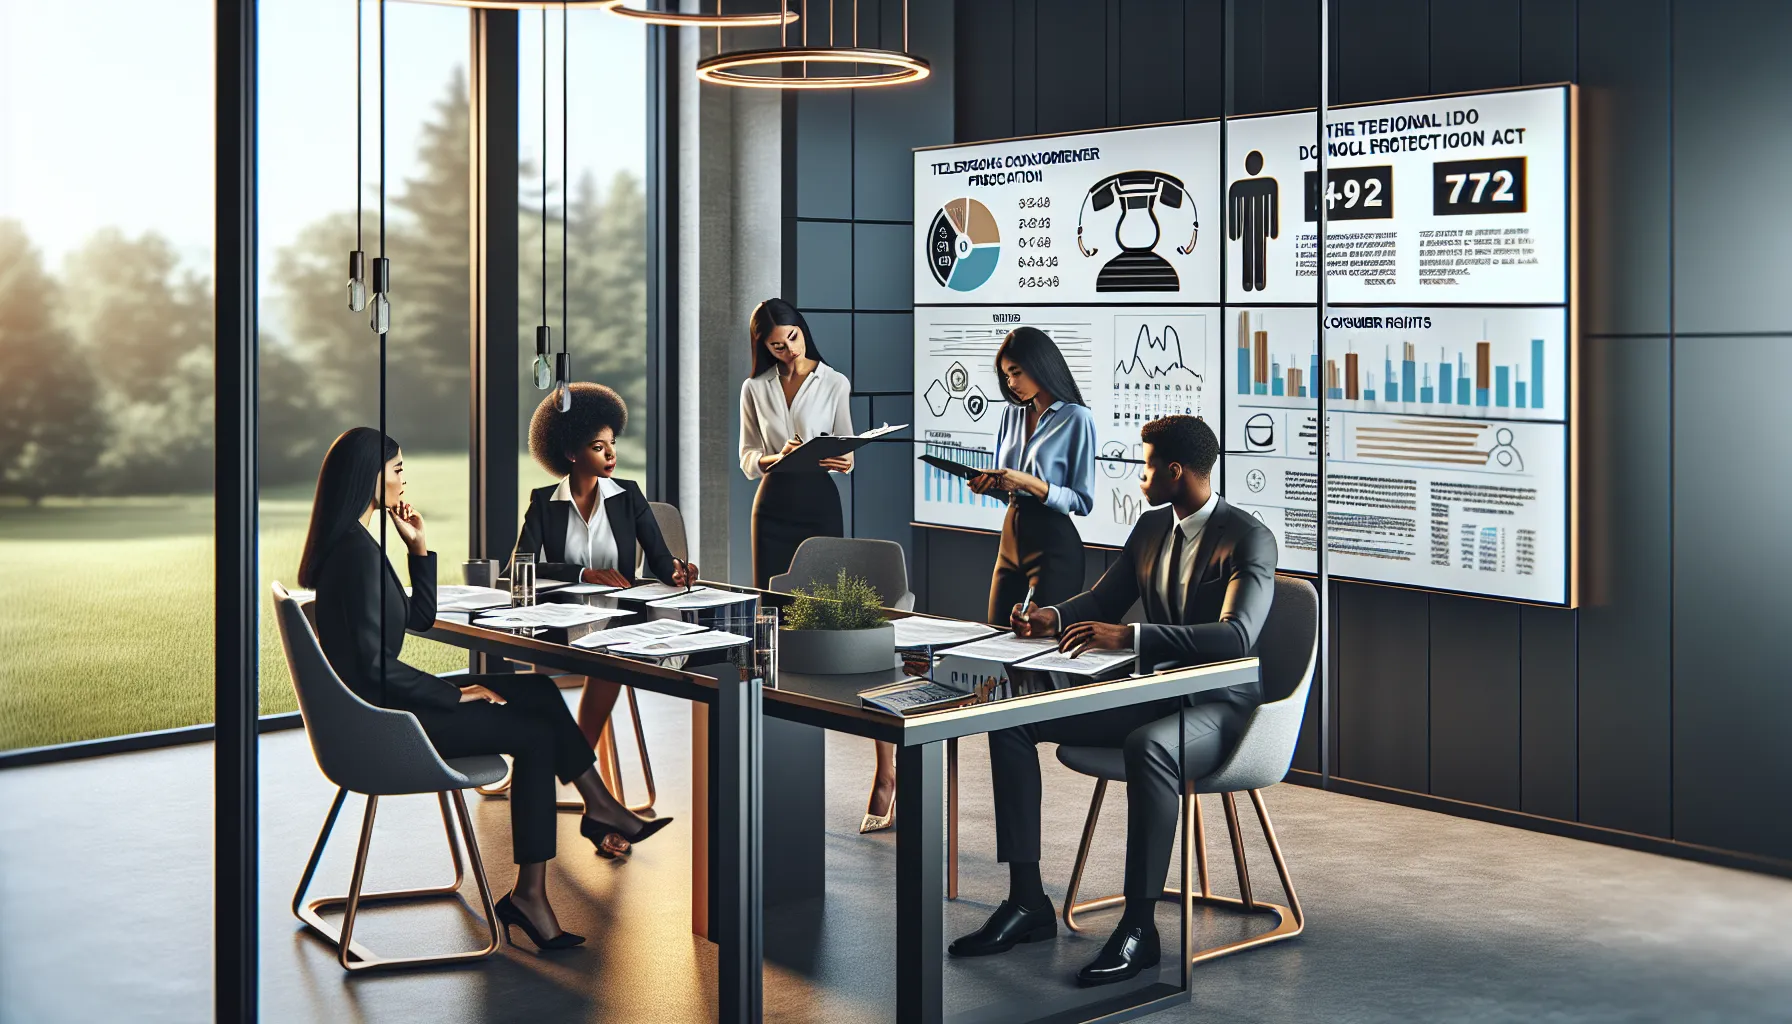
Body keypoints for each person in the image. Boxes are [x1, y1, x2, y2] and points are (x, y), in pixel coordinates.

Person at [299, 427, 672, 951]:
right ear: (369, 477)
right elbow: (373, 671)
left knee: (539, 696)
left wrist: (419, 549)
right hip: (390, 723)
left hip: (388, 705)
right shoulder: (354, 555)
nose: (406, 478)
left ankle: (599, 807)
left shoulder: (358, 544)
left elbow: (419, 620)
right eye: (399, 468)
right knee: (535, 736)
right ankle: (531, 897)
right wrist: (454, 695)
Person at [948, 415, 1277, 987]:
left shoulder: (1247, 537)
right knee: (1011, 721)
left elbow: (1236, 637)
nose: (1138, 476)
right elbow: (1105, 597)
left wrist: (1134, 637)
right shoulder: (1151, 529)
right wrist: (1050, 617)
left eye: (1146, 466)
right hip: (1150, 692)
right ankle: (1027, 903)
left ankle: (1139, 928)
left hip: (1221, 707)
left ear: (1175, 471)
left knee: (1149, 748)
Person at [739, 299, 898, 832]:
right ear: (763, 345)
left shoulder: (834, 381)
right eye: (777, 344)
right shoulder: (754, 388)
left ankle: (886, 772)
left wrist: (845, 458)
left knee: (839, 626)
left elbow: (846, 450)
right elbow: (745, 457)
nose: (788, 350)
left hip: (819, 505)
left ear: (804, 333)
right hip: (772, 506)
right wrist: (770, 457)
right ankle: (779, 765)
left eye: (794, 339)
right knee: (774, 631)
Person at [516, 383, 697, 758]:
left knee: (608, 660)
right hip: (559, 619)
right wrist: (583, 575)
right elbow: (518, 567)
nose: (611, 454)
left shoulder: (629, 495)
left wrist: (677, 571)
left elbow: (660, 558)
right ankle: (561, 763)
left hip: (618, 620)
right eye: (598, 447)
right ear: (569, 452)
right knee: (550, 672)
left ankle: (573, 759)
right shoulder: (544, 503)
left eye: (612, 443)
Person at [969, 325, 1097, 628]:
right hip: (1009, 544)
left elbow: (1082, 500)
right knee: (994, 640)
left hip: (1053, 550)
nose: (1011, 383)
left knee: (1039, 649)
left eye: (1016, 372)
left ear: (1038, 364)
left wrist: (1027, 482)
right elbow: (1008, 483)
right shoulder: (1010, 415)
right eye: (1005, 376)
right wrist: (989, 485)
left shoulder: (1077, 418)